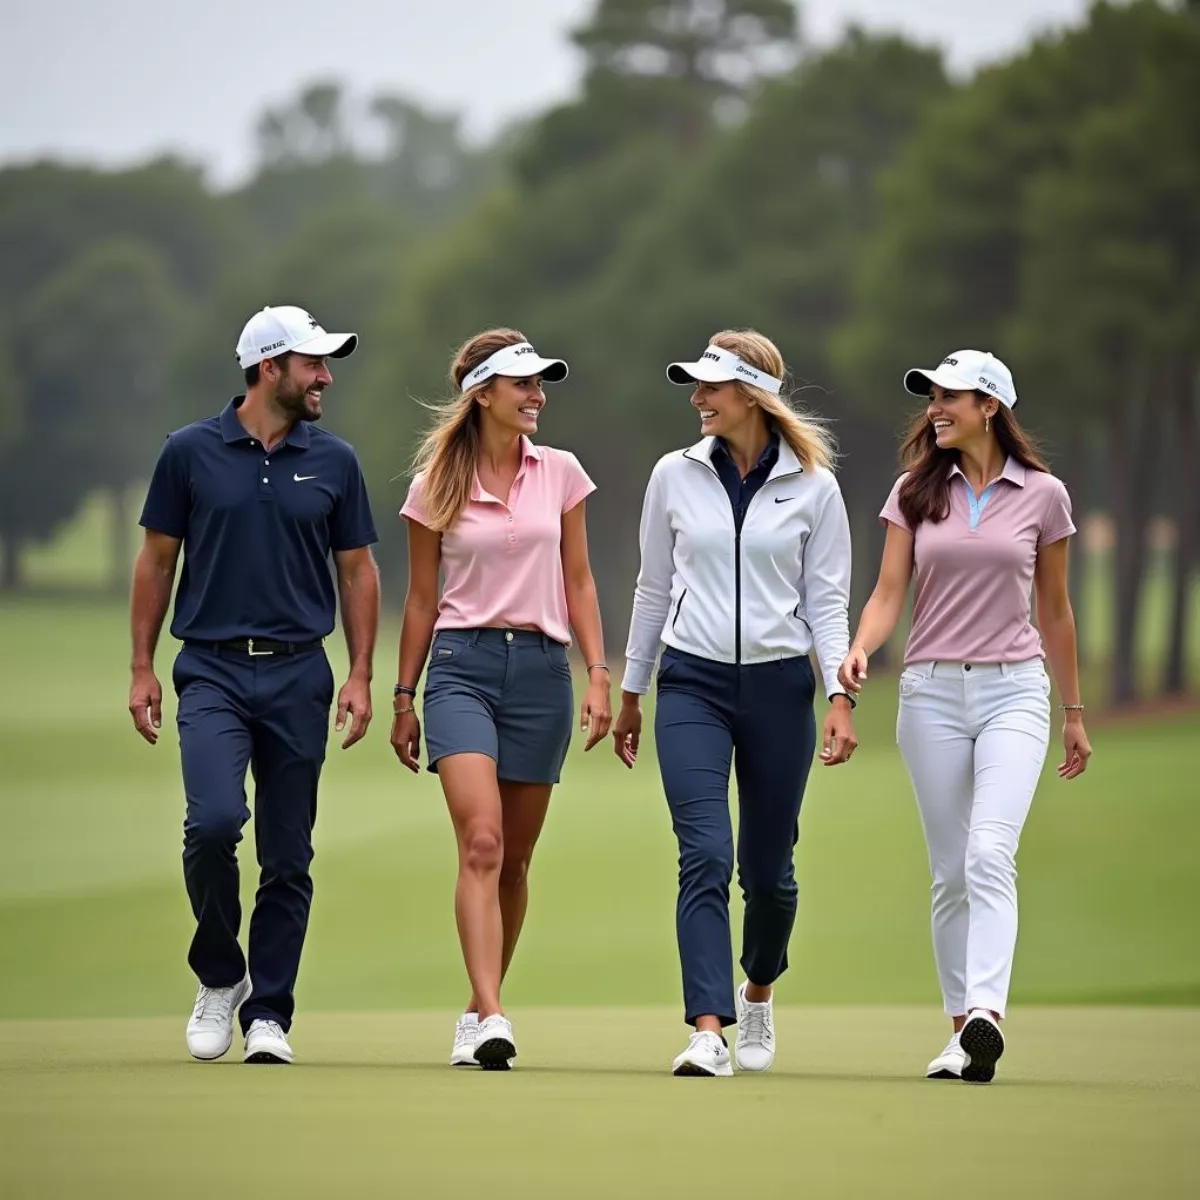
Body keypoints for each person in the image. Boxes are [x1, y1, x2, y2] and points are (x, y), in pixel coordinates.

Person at [129, 304, 380, 1066]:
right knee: (211, 824)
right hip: (210, 667)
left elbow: (357, 571)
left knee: (287, 854)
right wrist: (141, 665)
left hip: (301, 669)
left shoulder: (334, 459)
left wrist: (363, 673)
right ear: (269, 368)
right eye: (313, 364)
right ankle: (220, 975)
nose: (325, 377)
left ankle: (270, 1013)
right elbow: (156, 562)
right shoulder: (188, 453)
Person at [838, 349, 1092, 1084]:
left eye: (950, 397)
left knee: (989, 853)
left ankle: (987, 1013)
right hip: (931, 695)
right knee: (951, 872)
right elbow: (889, 592)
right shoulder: (915, 492)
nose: (935, 408)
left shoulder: (1044, 496)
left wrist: (1072, 711)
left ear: (990, 407)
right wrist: (859, 650)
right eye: (931, 398)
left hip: (1016, 690)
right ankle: (960, 1036)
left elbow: (1056, 609)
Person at [613, 329, 857, 1077]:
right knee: (705, 855)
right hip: (691, 683)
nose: (697, 396)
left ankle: (757, 991)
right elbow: (653, 586)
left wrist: (840, 693)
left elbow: (827, 600)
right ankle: (709, 1030)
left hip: (783, 688)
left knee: (770, 873)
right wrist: (631, 690)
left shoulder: (814, 486)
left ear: (752, 394)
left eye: (711, 386)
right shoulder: (673, 475)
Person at [391, 328, 611, 1071]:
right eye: (523, 384)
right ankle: (492, 1013)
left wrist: (598, 672)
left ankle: (474, 1009)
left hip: (543, 673)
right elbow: (421, 600)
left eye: (541, 384)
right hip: (461, 666)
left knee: (514, 861)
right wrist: (402, 695)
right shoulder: (435, 486)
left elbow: (579, 580)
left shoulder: (563, 473)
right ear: (482, 393)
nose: (537, 395)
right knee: (480, 840)